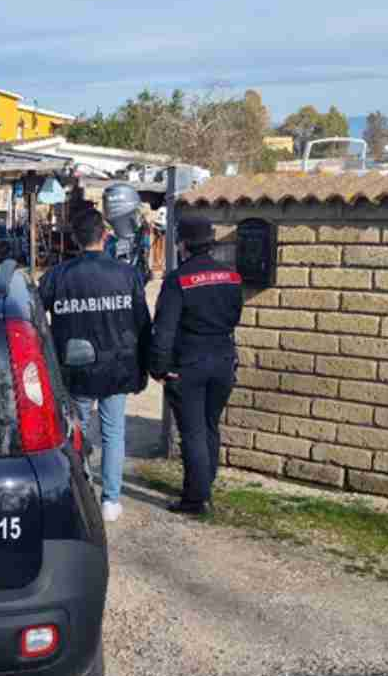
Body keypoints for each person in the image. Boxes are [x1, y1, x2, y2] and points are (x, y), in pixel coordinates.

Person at [39, 208, 152, 523]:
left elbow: (35, 320)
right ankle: (110, 500)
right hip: (117, 367)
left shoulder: (56, 276)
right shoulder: (127, 275)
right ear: (104, 235)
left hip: (75, 368)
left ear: (74, 239)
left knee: (76, 430)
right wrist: (144, 366)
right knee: (114, 432)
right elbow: (143, 324)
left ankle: (77, 492)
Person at [149, 216, 245, 514]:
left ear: (183, 244)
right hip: (223, 359)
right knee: (209, 426)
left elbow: (163, 331)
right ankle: (206, 484)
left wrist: (159, 368)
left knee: (192, 432)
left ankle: (195, 499)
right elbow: (234, 317)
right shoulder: (232, 277)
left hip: (189, 363)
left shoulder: (178, 280)